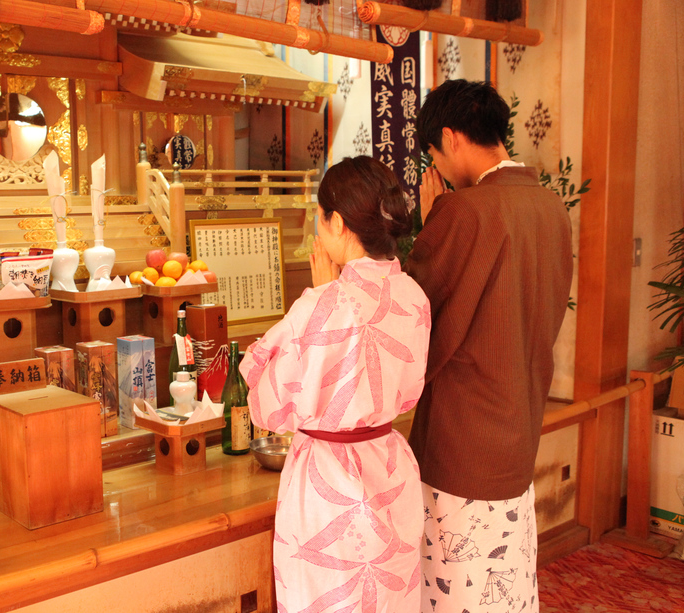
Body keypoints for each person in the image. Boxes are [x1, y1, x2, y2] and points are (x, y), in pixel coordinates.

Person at [405, 79, 573, 612]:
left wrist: (434, 218)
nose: (437, 162)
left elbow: (414, 311)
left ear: (452, 139)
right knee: (503, 585)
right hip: (518, 426)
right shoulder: (550, 207)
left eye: (434, 150)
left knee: (455, 591)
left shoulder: (464, 212)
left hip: (464, 440)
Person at [240, 156, 430, 613]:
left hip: (330, 484)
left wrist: (319, 298)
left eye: (319, 218)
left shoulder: (322, 304)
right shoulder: (414, 295)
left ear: (338, 222)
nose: (318, 230)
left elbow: (266, 405)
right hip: (391, 468)